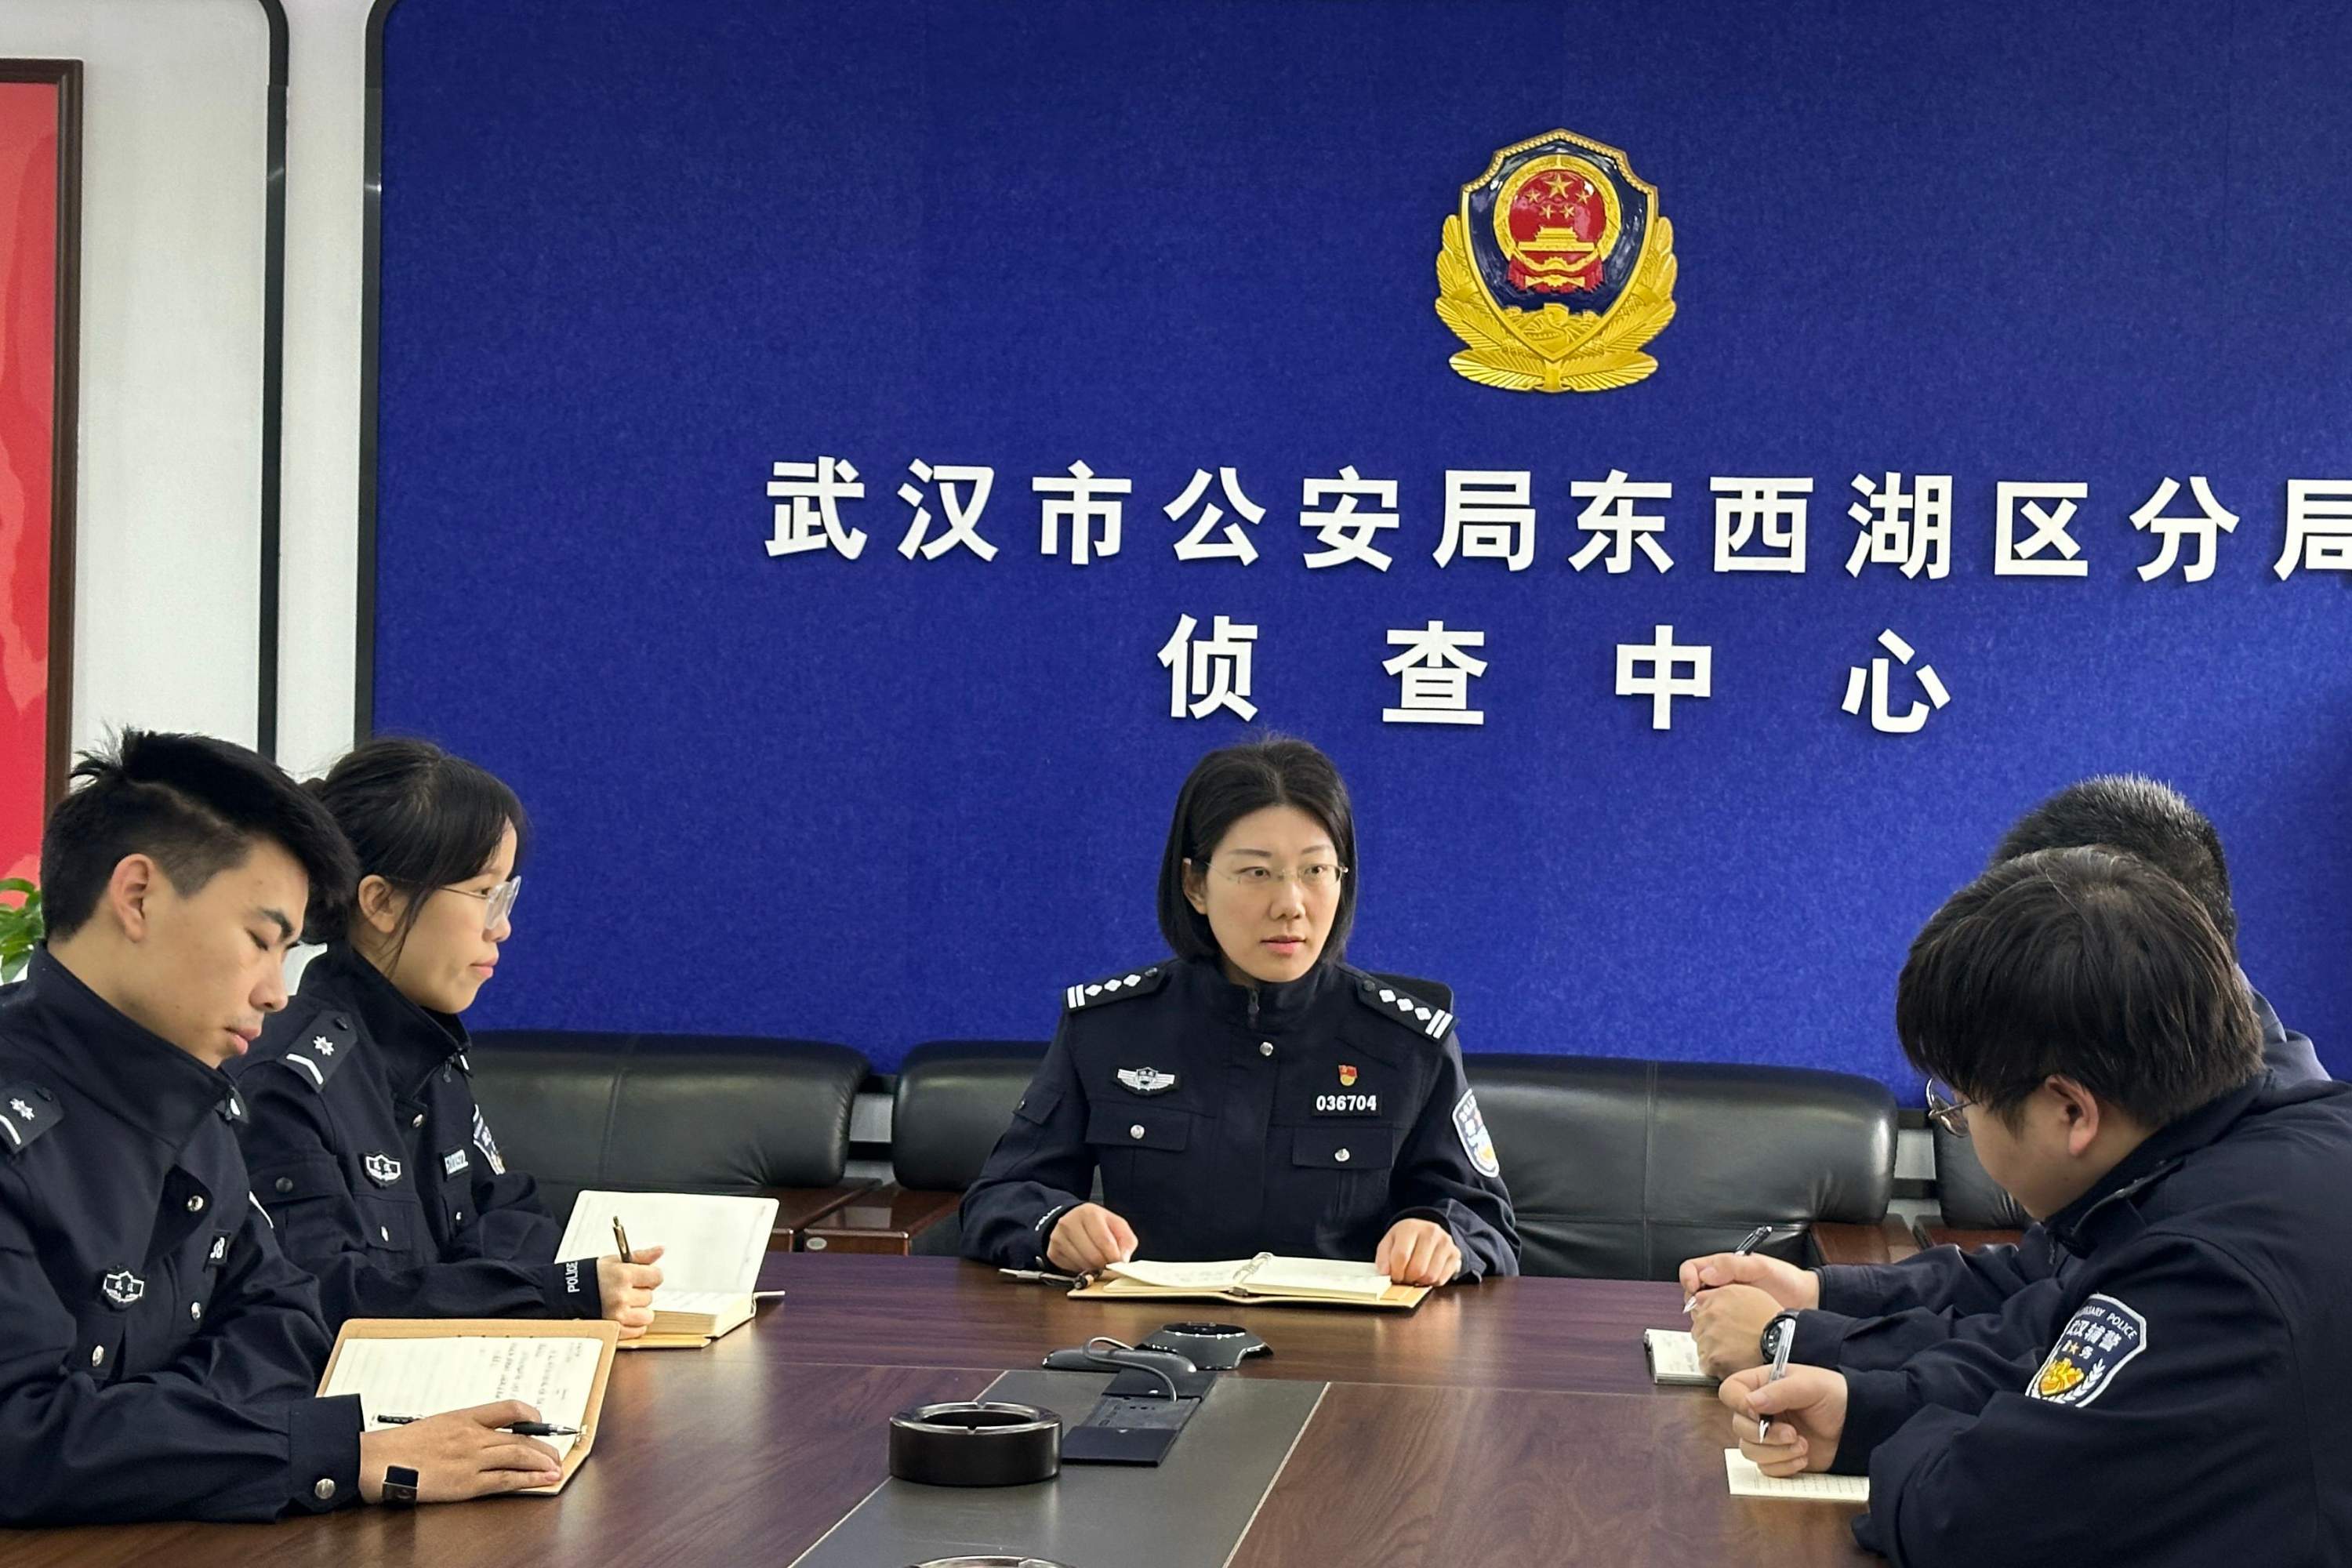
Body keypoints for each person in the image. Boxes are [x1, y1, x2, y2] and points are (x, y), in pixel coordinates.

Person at [1719, 846, 2352, 1564]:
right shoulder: (2270, 1151)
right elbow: (2052, 1358)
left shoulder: (2206, 1268)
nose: (1963, 1127)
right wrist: (1865, 1413)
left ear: (2071, 1112)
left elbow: (1967, 1517)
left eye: (1962, 1106)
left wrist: (1903, 1438)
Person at [0, 731, 566, 1523]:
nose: (275, 991)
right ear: (138, 897)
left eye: (288, 950)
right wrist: (325, 1452)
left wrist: (157, 1435)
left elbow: (288, 1322)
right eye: (261, 941)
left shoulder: (194, 1100)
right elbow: (23, 1441)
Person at [1682, 775, 2325, 1379]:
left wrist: (1793, 1340)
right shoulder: (2192, 1110)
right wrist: (1821, 1293)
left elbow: (2043, 1364)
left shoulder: (2234, 1225)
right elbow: (2039, 1279)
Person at [960, 735, 1519, 1286]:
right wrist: (1053, 1224)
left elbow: (1489, 1225)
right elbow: (997, 1198)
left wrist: (1440, 1235)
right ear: (1195, 885)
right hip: (1149, 1336)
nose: (1290, 905)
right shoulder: (1109, 1029)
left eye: (1315, 871)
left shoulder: (1406, 1042)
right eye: (1257, 873)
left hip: (1347, 1338)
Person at [230, 739, 661, 1334]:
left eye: (506, 896)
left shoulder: (432, 1053)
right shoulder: (287, 1081)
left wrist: (513, 1287)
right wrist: (546, 1292)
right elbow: (329, 1303)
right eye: (483, 894)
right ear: (381, 902)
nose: (501, 927)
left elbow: (511, 1214)